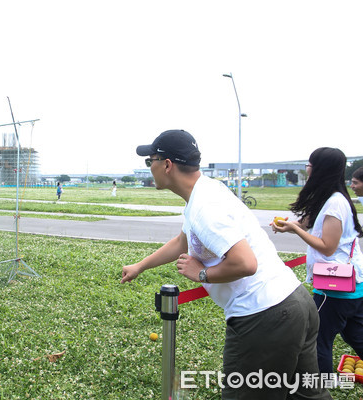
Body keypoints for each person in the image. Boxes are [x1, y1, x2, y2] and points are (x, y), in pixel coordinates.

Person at [122, 129, 331, 399]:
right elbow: (181, 242)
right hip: (294, 301)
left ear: (167, 165)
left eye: (150, 160)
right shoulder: (205, 192)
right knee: (307, 396)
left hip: (264, 315)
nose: (149, 167)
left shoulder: (205, 208)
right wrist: (140, 265)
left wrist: (202, 274)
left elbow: (245, 263)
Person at [272, 147, 363, 375]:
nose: (307, 169)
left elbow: (327, 246)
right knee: (355, 335)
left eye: (309, 165)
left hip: (335, 289)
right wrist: (288, 228)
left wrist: (293, 228)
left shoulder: (335, 203)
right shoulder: (329, 199)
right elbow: (306, 226)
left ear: (320, 168)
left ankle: (321, 389)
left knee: (317, 341)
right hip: (352, 287)